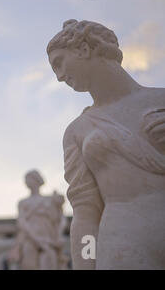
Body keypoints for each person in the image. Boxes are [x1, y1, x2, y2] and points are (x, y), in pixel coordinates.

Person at [47, 19, 165, 269]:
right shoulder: (77, 131)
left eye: (59, 62)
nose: (58, 77)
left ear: (83, 50)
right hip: (124, 244)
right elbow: (85, 211)